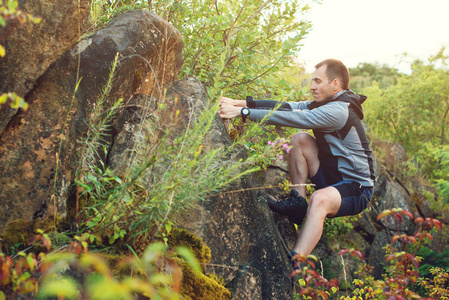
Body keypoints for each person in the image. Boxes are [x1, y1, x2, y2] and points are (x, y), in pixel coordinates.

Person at [218, 59, 374, 269]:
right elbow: (289, 107)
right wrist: (240, 103)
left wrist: (243, 114)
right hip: (331, 177)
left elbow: (297, 118)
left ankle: (294, 263)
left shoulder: (339, 110)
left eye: (318, 81)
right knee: (299, 139)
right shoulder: (326, 103)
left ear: (335, 84)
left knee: (319, 199)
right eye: (312, 81)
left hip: (356, 188)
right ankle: (298, 203)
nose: (312, 86)